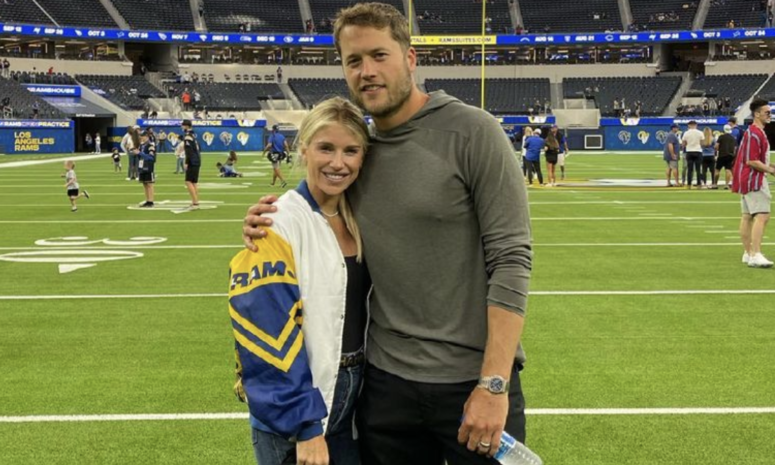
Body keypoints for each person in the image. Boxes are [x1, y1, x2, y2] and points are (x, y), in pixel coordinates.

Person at [242, 3, 533, 464]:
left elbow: (512, 260)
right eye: (354, 61)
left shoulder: (474, 132)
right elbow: (320, 210)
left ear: (410, 58)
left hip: (470, 383)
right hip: (383, 387)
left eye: (380, 55)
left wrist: (493, 383)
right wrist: (270, 216)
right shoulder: (359, 152)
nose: (367, 71)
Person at [230, 97, 370, 465]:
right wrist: (306, 426)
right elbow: (266, 330)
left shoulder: (360, 214)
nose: (338, 163)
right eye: (326, 148)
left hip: (354, 395)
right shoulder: (277, 223)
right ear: (303, 149)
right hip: (300, 404)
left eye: (351, 150)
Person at [731, 99, 775, 268]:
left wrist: (771, 166)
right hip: (753, 178)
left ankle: (748, 252)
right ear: (757, 114)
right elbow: (751, 160)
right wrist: (771, 171)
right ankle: (755, 253)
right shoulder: (755, 133)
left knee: (748, 216)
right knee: (762, 215)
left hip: (747, 177)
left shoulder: (755, 132)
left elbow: (757, 158)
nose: (769, 115)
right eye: (767, 112)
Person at [182, 119, 201, 210]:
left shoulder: (188, 136)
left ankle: (195, 202)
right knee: (194, 182)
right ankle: (195, 200)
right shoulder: (193, 135)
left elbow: (189, 151)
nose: (181, 127)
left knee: (188, 181)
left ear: (186, 126)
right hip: (197, 159)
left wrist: (186, 162)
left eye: (183, 125)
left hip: (193, 161)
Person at [681, 120, 704, 189]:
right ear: (696, 125)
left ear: (689, 125)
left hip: (689, 151)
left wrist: (688, 145)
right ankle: (699, 184)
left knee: (690, 169)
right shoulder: (700, 133)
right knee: (698, 169)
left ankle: (689, 184)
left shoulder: (686, 133)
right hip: (698, 151)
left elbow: (683, 144)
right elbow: (702, 143)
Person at [137, 130, 157, 208]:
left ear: (146, 136)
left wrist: (139, 153)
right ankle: (147, 200)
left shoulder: (150, 145)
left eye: (142, 136)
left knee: (149, 183)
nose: (141, 137)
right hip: (142, 165)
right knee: (144, 183)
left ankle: (151, 201)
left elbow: (151, 157)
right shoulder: (142, 145)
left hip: (148, 166)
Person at [714, 124, 736, 189]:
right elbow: (735, 148)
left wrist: (717, 150)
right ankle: (726, 185)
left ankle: (715, 184)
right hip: (730, 155)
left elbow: (716, 146)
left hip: (721, 155)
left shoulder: (721, 137)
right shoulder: (733, 138)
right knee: (728, 170)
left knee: (717, 170)